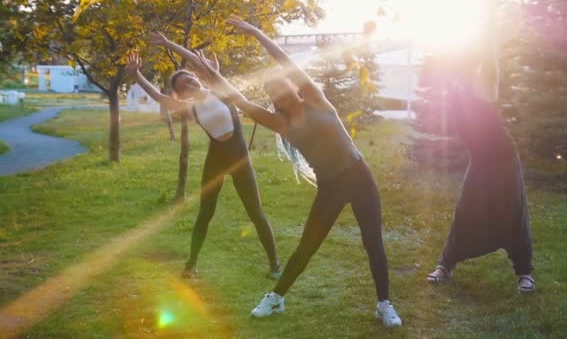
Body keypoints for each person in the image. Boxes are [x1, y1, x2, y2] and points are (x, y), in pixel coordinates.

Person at [192, 16, 402, 327]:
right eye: (272, 90)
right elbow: (242, 102)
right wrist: (212, 75)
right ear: (274, 99)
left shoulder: (317, 99)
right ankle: (276, 298)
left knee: (373, 241)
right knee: (307, 245)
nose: (279, 90)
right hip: (330, 186)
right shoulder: (282, 124)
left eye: (281, 83)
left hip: (359, 177)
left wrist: (256, 33)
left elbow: (284, 59)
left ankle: (384, 304)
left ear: (293, 84)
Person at [126, 34, 281, 280]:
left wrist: (168, 43)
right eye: (183, 86)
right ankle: (191, 264)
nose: (189, 84)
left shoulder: (219, 90)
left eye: (190, 79)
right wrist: (137, 75)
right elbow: (159, 97)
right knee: (205, 213)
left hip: (239, 160)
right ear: (181, 94)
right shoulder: (191, 107)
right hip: (216, 162)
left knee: (255, 212)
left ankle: (274, 263)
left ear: (197, 78)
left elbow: (196, 61)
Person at [425, 3, 535, 293]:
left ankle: (524, 272)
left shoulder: (486, 83)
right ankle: (446, 264)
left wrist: (488, 17)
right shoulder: (458, 86)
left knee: (512, 212)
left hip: (502, 158)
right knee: (466, 211)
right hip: (480, 159)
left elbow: (490, 55)